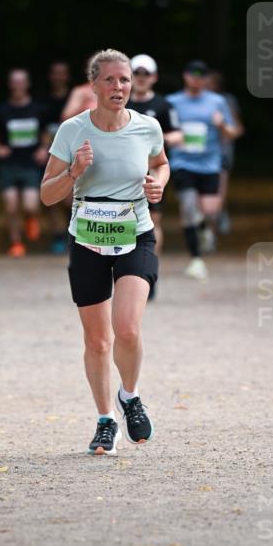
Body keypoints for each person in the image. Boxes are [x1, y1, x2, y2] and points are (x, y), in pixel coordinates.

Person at [41, 48, 169, 455]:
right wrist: (74, 172)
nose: (119, 87)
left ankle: (129, 396)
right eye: (110, 80)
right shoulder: (72, 130)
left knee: (127, 329)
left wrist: (159, 183)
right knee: (98, 341)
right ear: (93, 85)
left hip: (136, 236)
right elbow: (47, 195)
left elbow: (162, 163)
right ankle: (104, 421)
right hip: (88, 241)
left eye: (125, 80)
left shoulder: (148, 127)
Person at [166, 60, 238, 279]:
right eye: (192, 74)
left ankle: (205, 227)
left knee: (209, 211)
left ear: (206, 78)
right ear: (185, 76)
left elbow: (233, 133)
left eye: (201, 75)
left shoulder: (217, 102)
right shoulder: (172, 101)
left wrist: (221, 125)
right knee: (188, 207)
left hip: (210, 164)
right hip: (182, 163)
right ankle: (196, 259)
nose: (196, 78)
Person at [127, 54, 183, 296]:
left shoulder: (163, 106)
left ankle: (149, 270)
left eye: (145, 74)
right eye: (136, 73)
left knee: (153, 221)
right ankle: (125, 272)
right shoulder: (120, 103)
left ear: (154, 78)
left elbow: (178, 135)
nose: (140, 78)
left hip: (151, 171)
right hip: (124, 172)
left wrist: (155, 140)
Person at [0, 68, 49, 257]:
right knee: (11, 205)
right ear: (10, 84)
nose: (18, 85)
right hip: (9, 164)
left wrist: (43, 149)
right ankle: (16, 243)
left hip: (30, 165)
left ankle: (31, 219)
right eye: (15, 81)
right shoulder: (2, 111)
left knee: (31, 205)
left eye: (22, 81)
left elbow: (46, 134)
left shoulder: (38, 109)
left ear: (27, 84)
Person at [205, 69, 245, 235]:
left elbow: (238, 128)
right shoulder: (196, 100)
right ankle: (217, 217)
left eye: (209, 84)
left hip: (222, 153)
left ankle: (211, 229)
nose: (205, 87)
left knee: (218, 191)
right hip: (200, 154)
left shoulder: (227, 101)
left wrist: (223, 128)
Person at [43, 60, 72, 254]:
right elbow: (41, 130)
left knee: (70, 199)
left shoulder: (76, 98)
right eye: (55, 73)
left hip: (73, 154)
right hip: (51, 153)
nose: (58, 77)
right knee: (53, 197)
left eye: (62, 73)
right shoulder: (43, 102)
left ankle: (74, 235)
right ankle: (58, 238)